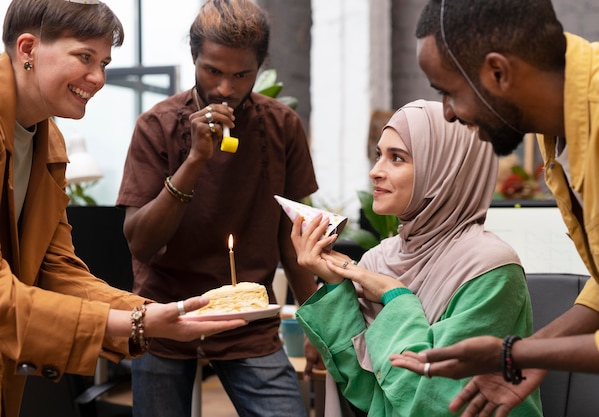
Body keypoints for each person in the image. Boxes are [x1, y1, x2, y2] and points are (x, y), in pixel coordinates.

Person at [0, 1, 247, 417]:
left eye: (104, 62)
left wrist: (150, 312)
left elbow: (55, 268)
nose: (98, 78)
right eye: (84, 57)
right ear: (27, 49)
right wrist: (135, 323)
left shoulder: (50, 142)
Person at [389, 0, 599, 415]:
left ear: (498, 71)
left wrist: (515, 355)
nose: (448, 113)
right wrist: (531, 351)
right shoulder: (559, 128)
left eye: (448, 92)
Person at [115, 0, 319, 416]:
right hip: (164, 314)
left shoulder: (282, 126)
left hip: (248, 320)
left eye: (241, 74)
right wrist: (193, 162)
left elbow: (293, 236)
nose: (225, 88)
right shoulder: (157, 126)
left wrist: (317, 323)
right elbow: (140, 242)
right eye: (213, 70)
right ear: (194, 58)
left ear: (259, 67)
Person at [290, 99, 542, 416]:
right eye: (379, 155)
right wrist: (334, 285)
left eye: (397, 158)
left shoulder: (490, 269)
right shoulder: (376, 261)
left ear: (444, 170)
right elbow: (368, 393)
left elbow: (437, 403)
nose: (375, 172)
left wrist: (396, 298)